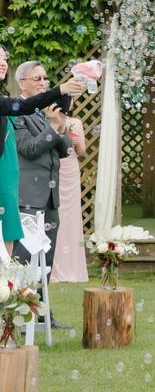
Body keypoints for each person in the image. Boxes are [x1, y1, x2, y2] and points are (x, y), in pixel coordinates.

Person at [0, 50, 84, 258]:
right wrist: (60, 91)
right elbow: (30, 148)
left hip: (49, 197)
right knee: (23, 258)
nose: (43, 82)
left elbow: (65, 150)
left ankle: (34, 292)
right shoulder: (15, 111)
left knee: (45, 260)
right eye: (37, 78)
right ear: (21, 82)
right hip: (26, 194)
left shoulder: (42, 111)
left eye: (4, 58)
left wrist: (58, 125)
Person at [50, 94, 89, 282]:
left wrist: (74, 137)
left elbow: (81, 151)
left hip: (70, 170)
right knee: (54, 215)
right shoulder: (49, 120)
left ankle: (71, 268)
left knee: (71, 216)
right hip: (53, 169)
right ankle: (53, 266)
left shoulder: (76, 122)